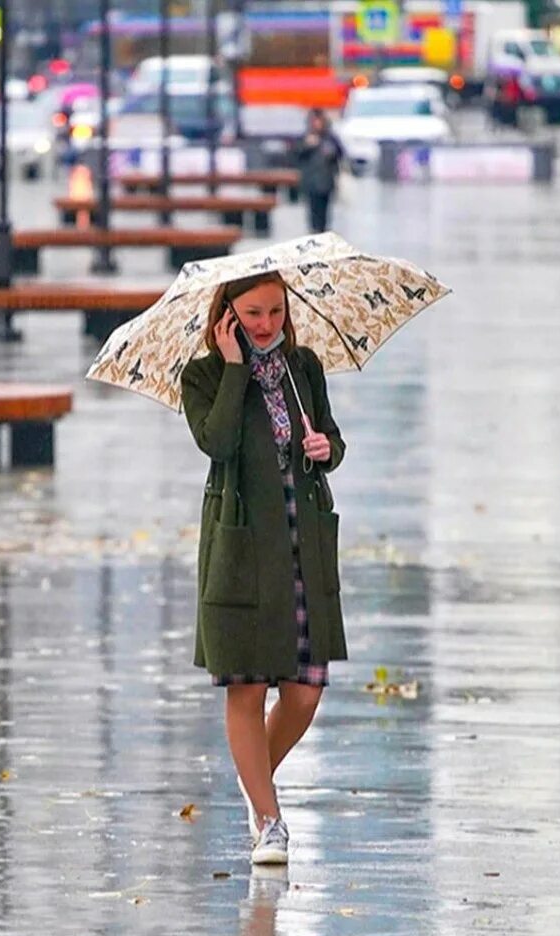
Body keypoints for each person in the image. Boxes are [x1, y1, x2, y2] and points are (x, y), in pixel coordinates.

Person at [179, 270, 348, 866]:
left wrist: (326, 448)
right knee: (247, 686)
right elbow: (218, 442)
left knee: (304, 693)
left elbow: (332, 438)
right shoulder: (201, 376)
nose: (266, 325)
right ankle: (269, 820)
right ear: (227, 314)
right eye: (252, 313)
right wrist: (232, 367)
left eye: (275, 311)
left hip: (302, 542)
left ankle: (257, 788)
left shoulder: (303, 369)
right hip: (242, 545)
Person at [293, 110, 344, 235]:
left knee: (324, 211)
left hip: (326, 181)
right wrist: (307, 146)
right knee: (312, 211)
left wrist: (331, 153)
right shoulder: (305, 138)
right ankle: (314, 231)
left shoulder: (330, 138)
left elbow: (340, 153)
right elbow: (295, 156)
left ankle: (322, 231)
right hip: (310, 182)